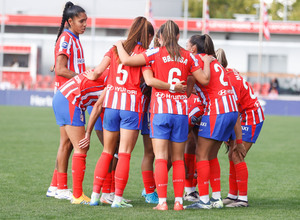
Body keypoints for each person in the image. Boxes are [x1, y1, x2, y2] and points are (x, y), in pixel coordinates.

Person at [79, 17, 186, 208]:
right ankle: (117, 200)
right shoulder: (146, 54)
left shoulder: (113, 49)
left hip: (111, 104)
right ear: (148, 35)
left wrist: (88, 75)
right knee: (124, 154)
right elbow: (149, 80)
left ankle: (95, 196)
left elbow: (96, 74)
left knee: (106, 152)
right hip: (131, 107)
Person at [115, 20, 212, 211]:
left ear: (160, 37)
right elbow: (205, 80)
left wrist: (119, 44)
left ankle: (161, 202)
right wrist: (207, 63)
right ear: (178, 36)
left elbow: (126, 61)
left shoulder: (153, 53)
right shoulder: (188, 57)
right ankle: (178, 202)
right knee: (177, 159)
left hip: (160, 112)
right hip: (180, 113)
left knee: (160, 157)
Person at [184, 34, 243, 210]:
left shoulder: (195, 60)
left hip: (217, 110)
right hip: (231, 110)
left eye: (187, 44)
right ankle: (216, 199)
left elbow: (187, 91)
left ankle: (203, 201)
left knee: (201, 154)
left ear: (194, 48)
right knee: (211, 156)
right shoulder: (215, 62)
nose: (186, 47)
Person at [46, 1, 87, 200]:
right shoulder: (66, 38)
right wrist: (83, 77)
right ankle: (61, 188)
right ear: (70, 21)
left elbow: (59, 66)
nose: (85, 24)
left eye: (86, 20)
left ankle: (55, 186)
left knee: (67, 143)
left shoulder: (74, 38)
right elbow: (61, 68)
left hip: (70, 96)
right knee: (71, 144)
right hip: (67, 95)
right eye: (81, 21)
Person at [216, 48, 265, 207]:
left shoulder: (228, 81)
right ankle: (232, 195)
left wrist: (236, 139)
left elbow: (234, 110)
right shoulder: (229, 72)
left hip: (250, 117)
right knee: (232, 155)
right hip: (245, 115)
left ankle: (242, 199)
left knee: (237, 154)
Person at [52, 69, 107, 204]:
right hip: (70, 100)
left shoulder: (108, 70)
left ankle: (60, 187)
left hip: (63, 96)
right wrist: (88, 133)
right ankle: (77, 195)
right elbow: (98, 106)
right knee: (82, 147)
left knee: (66, 144)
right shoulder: (114, 77)